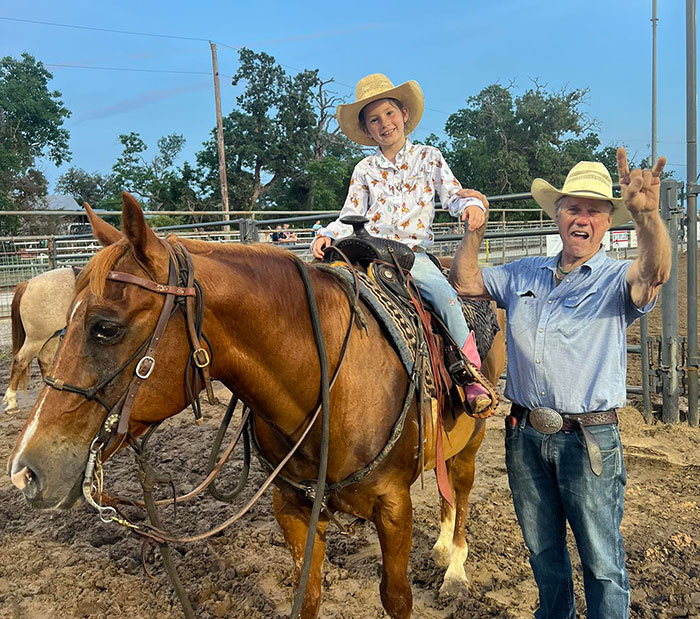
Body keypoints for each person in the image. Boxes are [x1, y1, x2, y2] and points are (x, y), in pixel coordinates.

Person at [449, 148, 671, 618]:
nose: (582, 218)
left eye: (594, 210)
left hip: (587, 441)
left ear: (608, 223)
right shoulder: (525, 272)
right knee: (544, 555)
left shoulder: (616, 279)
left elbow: (655, 272)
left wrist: (648, 218)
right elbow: (466, 282)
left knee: (602, 562)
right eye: (573, 208)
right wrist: (474, 229)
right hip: (525, 435)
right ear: (558, 216)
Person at [311, 73, 493, 415]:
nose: (385, 124)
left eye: (390, 114)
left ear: (405, 114)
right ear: (367, 131)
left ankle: (469, 374)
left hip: (411, 254)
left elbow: (452, 194)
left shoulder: (429, 158)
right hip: (369, 250)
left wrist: (471, 206)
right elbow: (350, 213)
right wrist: (327, 234)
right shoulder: (364, 169)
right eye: (374, 120)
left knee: (443, 295)